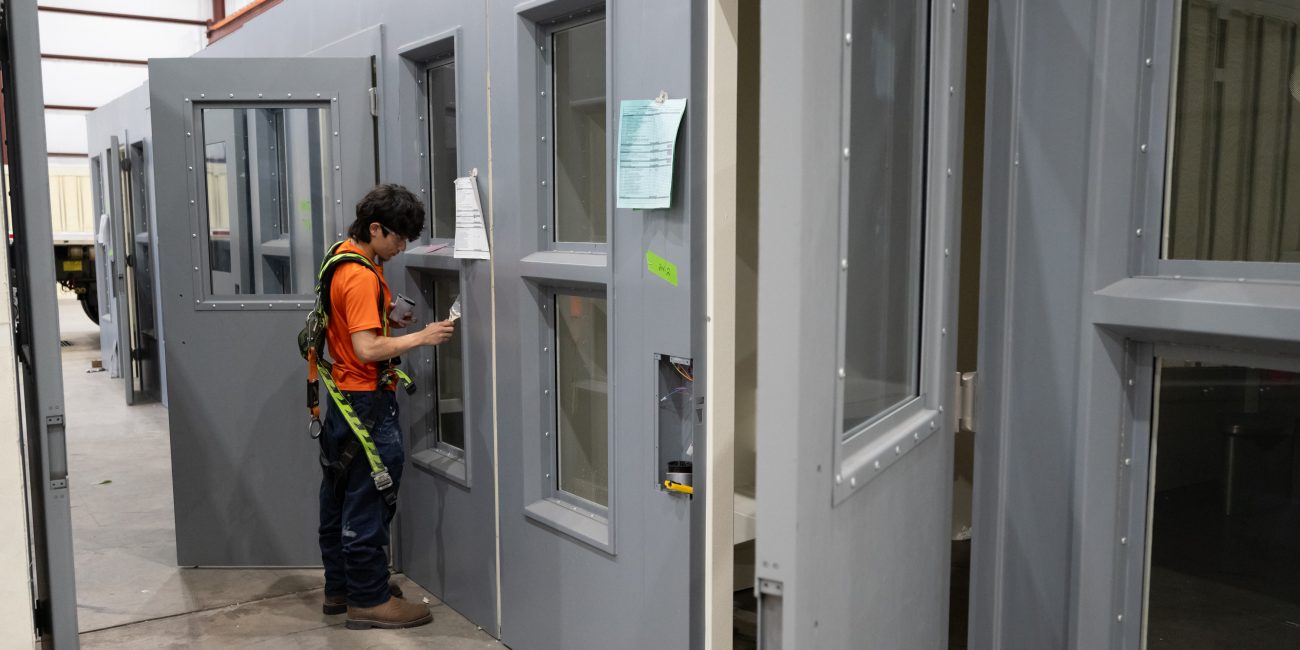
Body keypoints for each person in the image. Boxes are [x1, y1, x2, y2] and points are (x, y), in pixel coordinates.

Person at [317, 184, 455, 629]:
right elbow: (367, 348)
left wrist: (386, 311)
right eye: (397, 238)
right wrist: (422, 336)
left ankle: (343, 588)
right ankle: (370, 601)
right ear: (375, 228)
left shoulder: (343, 255)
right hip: (366, 402)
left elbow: (345, 319)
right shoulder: (360, 275)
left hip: (340, 397)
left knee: (340, 495)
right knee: (369, 500)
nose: (401, 248)